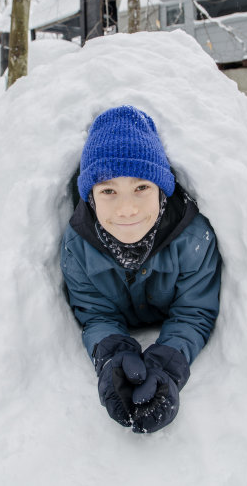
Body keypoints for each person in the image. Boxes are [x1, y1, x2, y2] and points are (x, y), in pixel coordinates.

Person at [61, 105, 221, 433]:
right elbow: (96, 315)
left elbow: (194, 312)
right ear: (90, 197)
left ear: (162, 188)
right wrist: (112, 356)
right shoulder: (78, 247)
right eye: (108, 190)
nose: (127, 208)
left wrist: (167, 364)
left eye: (141, 187)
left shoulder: (192, 238)